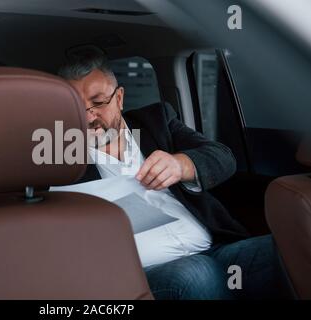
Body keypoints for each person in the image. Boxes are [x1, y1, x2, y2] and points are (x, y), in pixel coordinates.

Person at [58, 50, 292, 299]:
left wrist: (182, 165)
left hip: (214, 250)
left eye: (99, 102)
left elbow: (223, 157)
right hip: (139, 275)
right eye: (77, 106)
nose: (88, 116)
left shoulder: (156, 121)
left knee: (290, 246)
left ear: (120, 98)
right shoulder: (58, 156)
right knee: (197, 273)